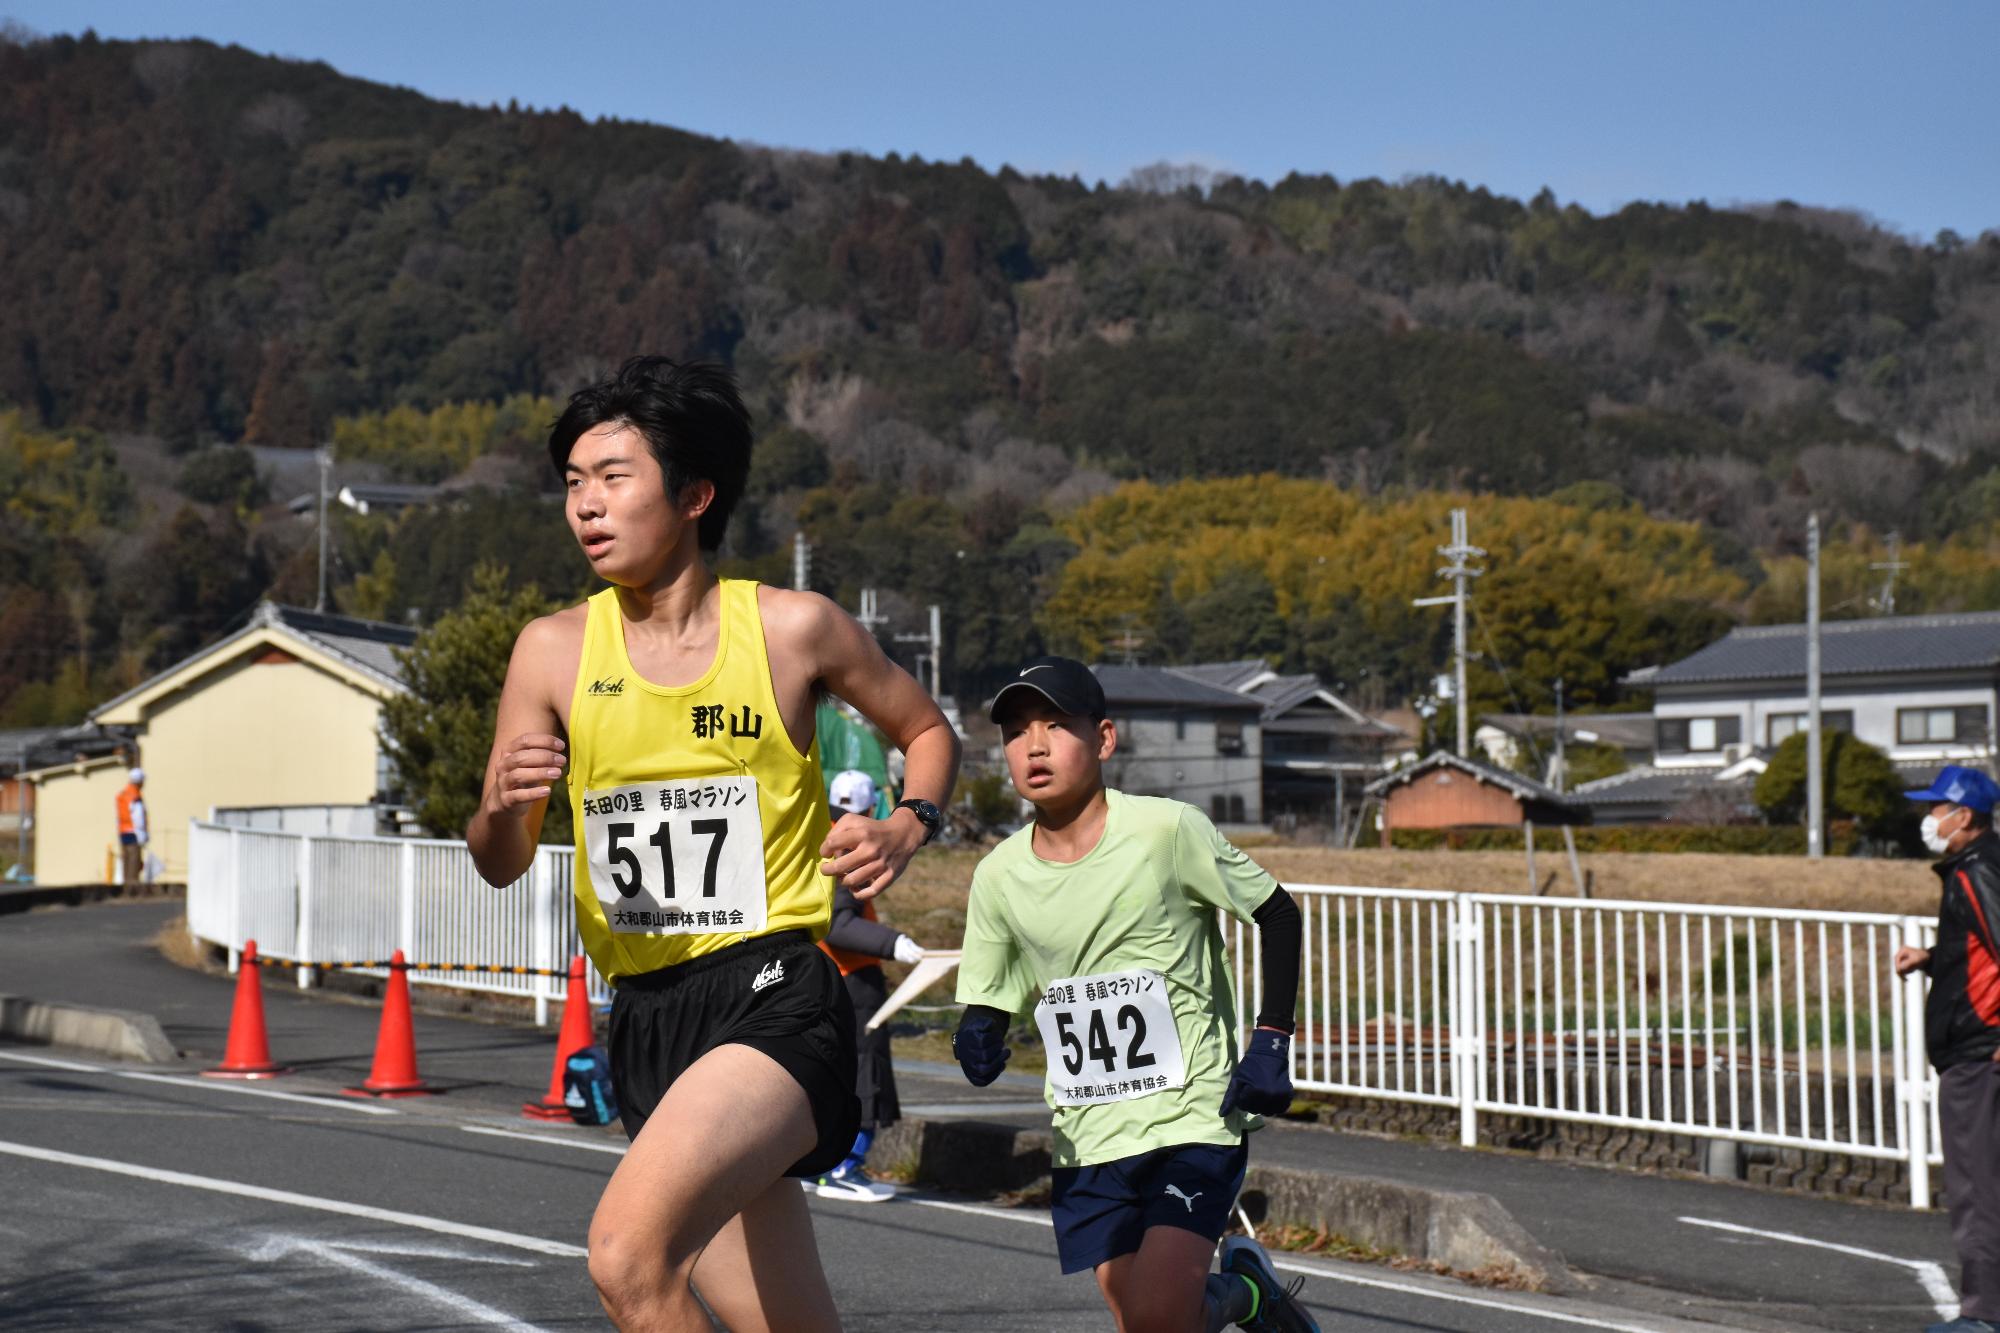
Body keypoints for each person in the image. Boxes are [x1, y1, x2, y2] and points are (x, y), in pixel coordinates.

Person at [466, 356, 960, 1333]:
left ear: (693, 494)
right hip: (647, 1017)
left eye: (614, 478)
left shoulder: (789, 630)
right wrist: (501, 808)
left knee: (628, 1260)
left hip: (776, 992)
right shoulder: (552, 649)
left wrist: (909, 823)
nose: (586, 506)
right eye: (572, 482)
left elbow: (929, 731)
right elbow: (499, 857)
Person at [952, 656, 1318, 1333]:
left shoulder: (1165, 831)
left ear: (1105, 739)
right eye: (1015, 731)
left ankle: (1242, 1294)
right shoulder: (997, 874)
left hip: (1192, 1116)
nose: (1033, 745)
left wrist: (1270, 1040)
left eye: (1057, 725)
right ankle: (1247, 1293)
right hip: (1088, 1132)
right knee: (1150, 1321)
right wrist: (980, 1028)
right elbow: (992, 988)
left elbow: (1277, 911)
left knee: (1155, 1317)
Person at [1895, 765, 2000, 1333]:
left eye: (1936, 808)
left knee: (1976, 1184)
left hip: (1979, 1051)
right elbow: (1979, 946)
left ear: (1964, 817)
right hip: (1987, 1045)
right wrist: (1932, 958)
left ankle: (1984, 1316)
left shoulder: (1976, 871)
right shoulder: (1985, 864)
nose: (1928, 818)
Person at [813, 767, 926, 1202]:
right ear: (872, 809)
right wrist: (893, 942)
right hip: (852, 978)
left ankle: (820, 1164)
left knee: (828, 1073)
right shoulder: (849, 842)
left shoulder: (817, 834)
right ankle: (845, 1166)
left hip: (820, 977)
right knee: (865, 1073)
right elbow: (837, 923)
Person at [115, 767, 147, 888]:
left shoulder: (122, 794)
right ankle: (133, 886)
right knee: (134, 861)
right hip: (134, 831)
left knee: (126, 861)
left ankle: (126, 885)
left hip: (123, 831)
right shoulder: (135, 796)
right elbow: (138, 817)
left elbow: (119, 816)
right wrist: (142, 834)